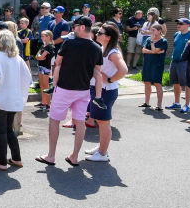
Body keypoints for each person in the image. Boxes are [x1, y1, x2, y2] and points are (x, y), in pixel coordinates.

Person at [36, 16, 103, 168]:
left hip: (65, 88)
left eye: (75, 27)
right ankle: (74, 157)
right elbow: (98, 73)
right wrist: (98, 96)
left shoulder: (69, 43)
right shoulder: (97, 48)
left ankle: (51, 156)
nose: (73, 29)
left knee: (54, 120)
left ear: (81, 27)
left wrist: (55, 85)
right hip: (83, 90)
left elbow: (58, 64)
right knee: (80, 122)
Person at [0, 30, 31, 170]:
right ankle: (16, 158)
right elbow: (28, 79)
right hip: (14, 100)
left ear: (0, 42)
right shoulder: (18, 58)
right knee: (8, 129)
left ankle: (2, 162)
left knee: (0, 131)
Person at [84, 23, 127, 162]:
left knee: (103, 122)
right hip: (99, 89)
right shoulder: (104, 48)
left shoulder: (112, 52)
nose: (97, 34)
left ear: (108, 37)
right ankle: (102, 148)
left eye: (100, 33)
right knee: (101, 120)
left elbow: (124, 70)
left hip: (106, 91)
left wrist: (109, 79)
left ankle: (102, 154)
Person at [166, 18, 190, 113]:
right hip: (174, 61)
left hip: (184, 62)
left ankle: (186, 105)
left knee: (186, 84)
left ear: (187, 25)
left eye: (181, 23)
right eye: (178, 23)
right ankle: (177, 103)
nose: (178, 25)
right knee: (176, 82)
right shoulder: (176, 34)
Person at [139, 24, 167, 111]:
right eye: (151, 30)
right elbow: (143, 50)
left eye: (154, 30)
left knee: (157, 83)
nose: (152, 32)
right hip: (147, 64)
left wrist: (152, 45)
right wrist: (153, 51)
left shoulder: (163, 41)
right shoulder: (148, 39)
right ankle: (146, 103)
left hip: (157, 65)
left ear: (159, 31)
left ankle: (159, 105)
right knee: (146, 82)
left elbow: (155, 50)